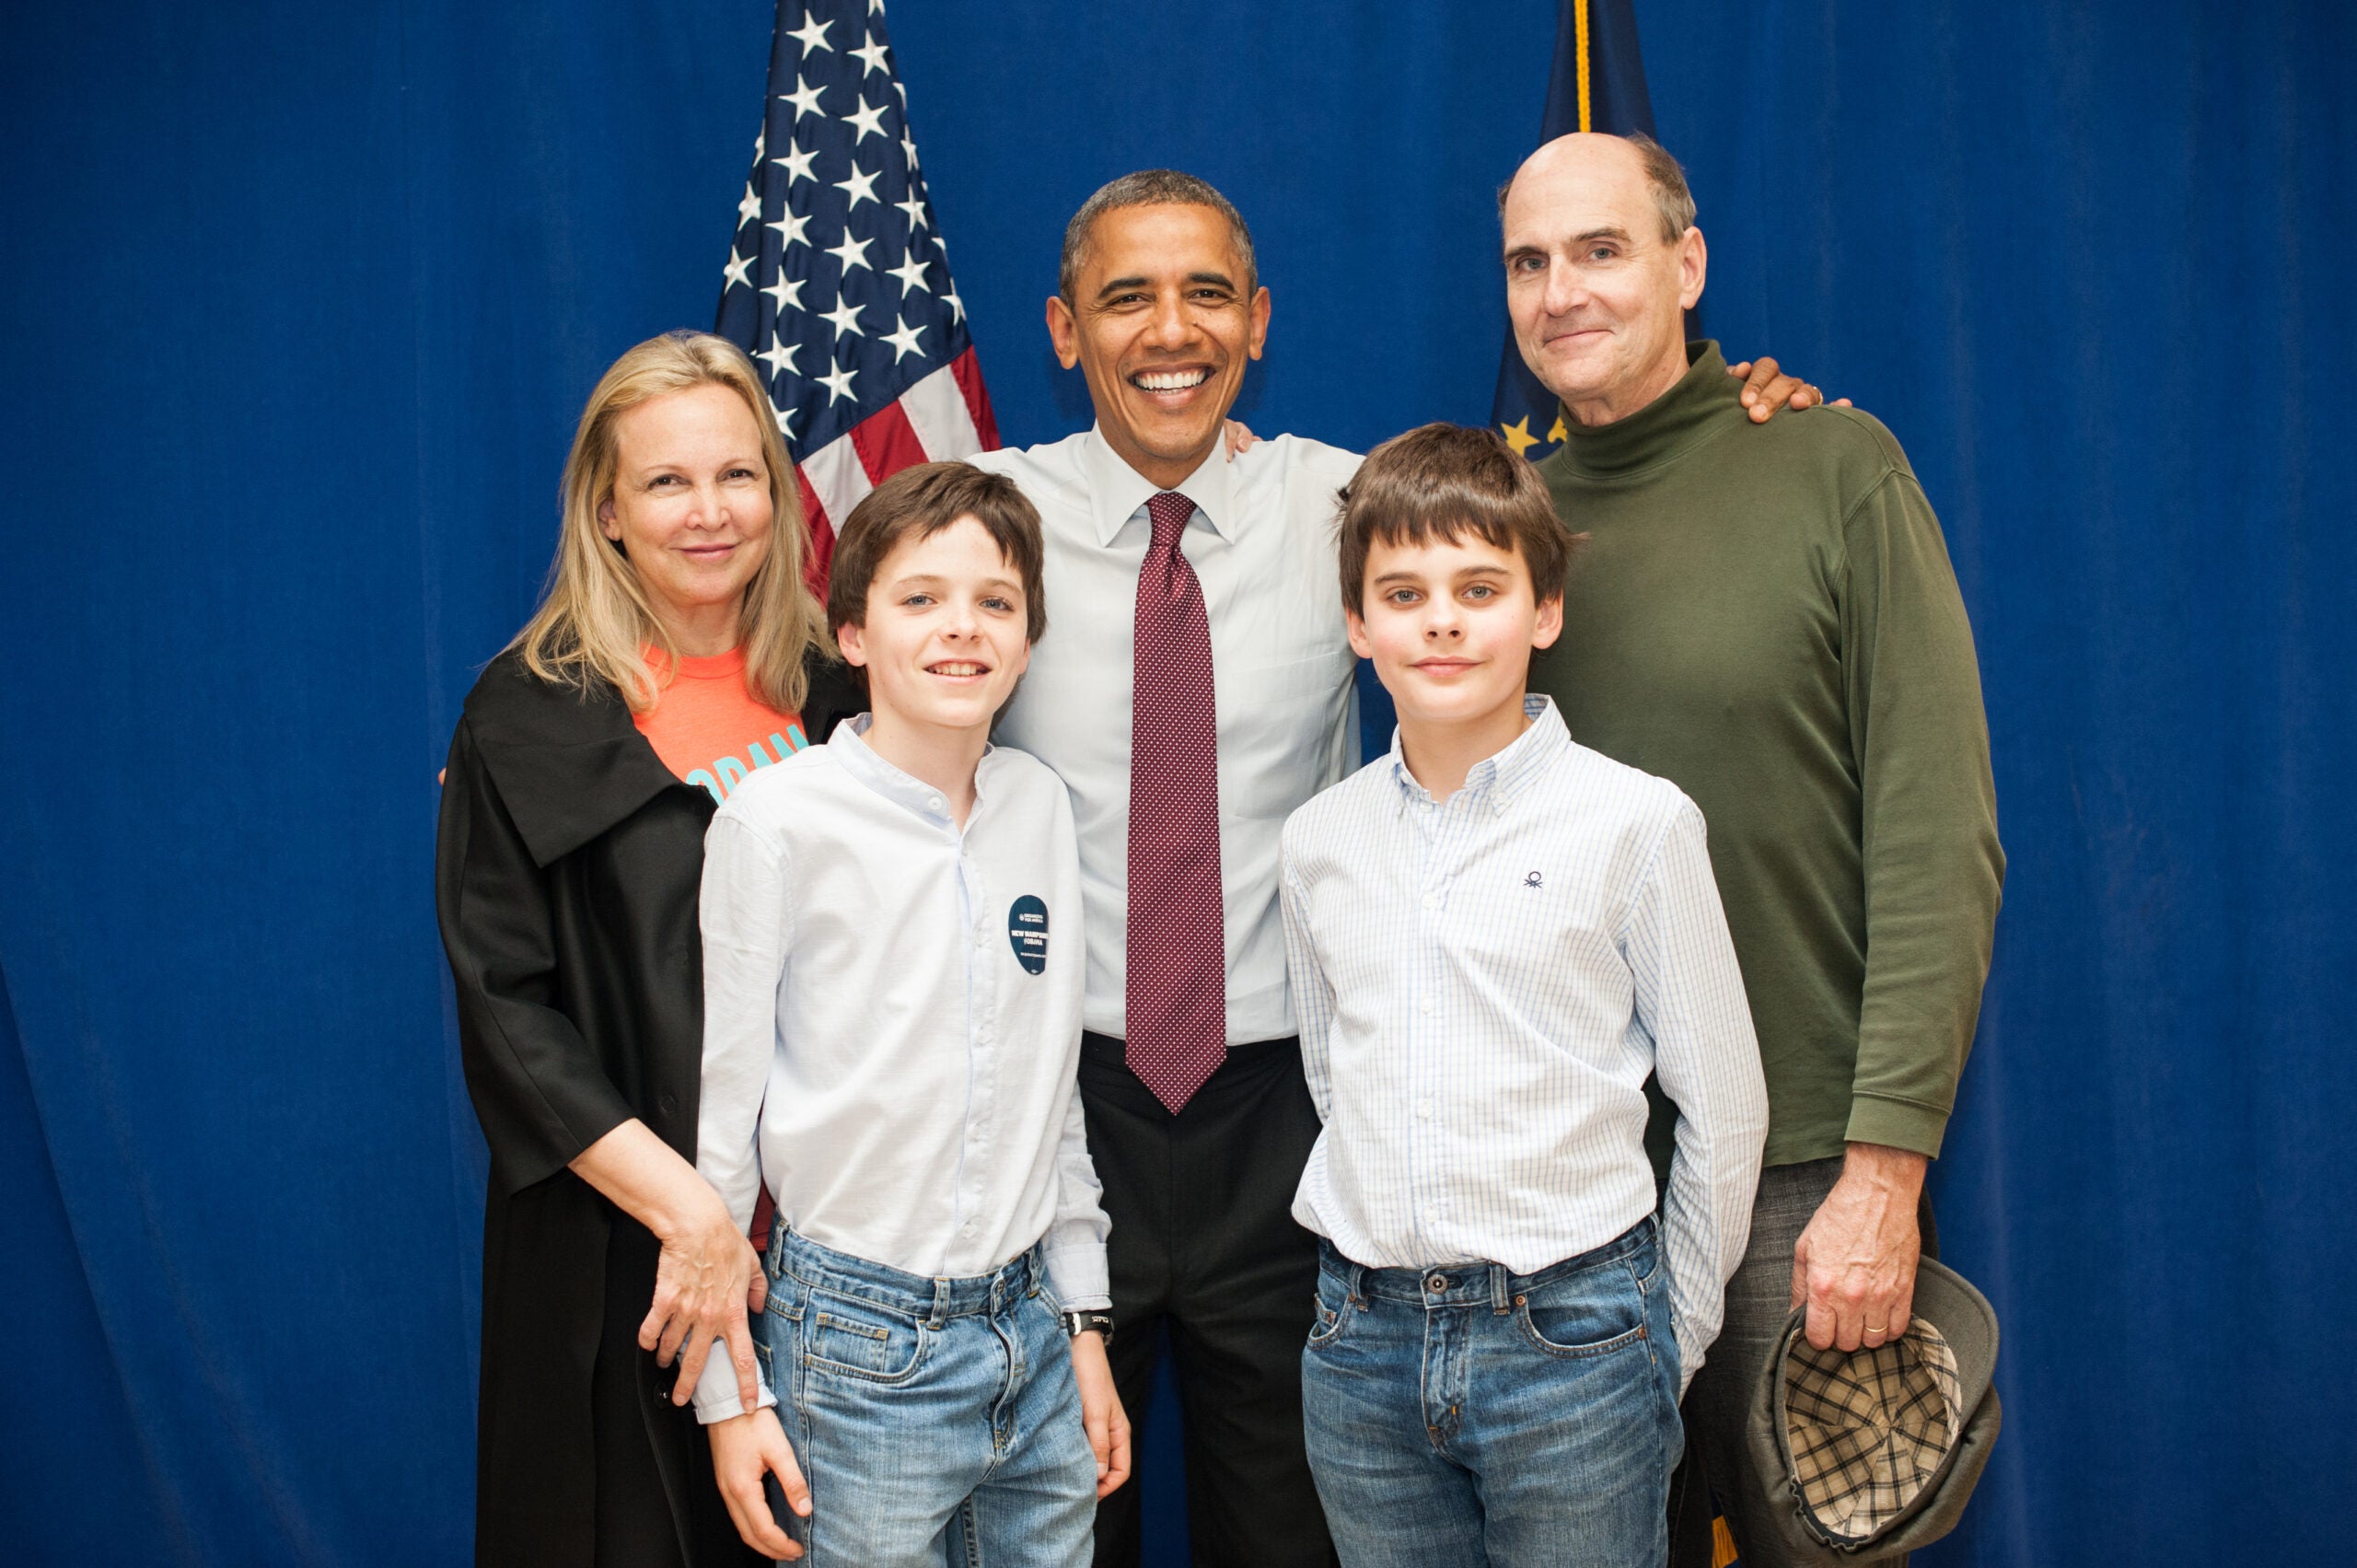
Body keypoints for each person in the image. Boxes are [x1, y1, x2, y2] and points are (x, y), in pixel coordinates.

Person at [966, 168, 1824, 1568]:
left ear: (1257, 321)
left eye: (1204, 295)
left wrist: (1743, 417)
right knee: (1061, 1522)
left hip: (1289, 1132)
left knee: (1300, 1532)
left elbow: (1502, 531)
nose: (1167, 329)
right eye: (1126, 296)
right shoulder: (987, 523)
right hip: (1071, 1114)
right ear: (1065, 332)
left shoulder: (1345, 506)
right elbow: (824, 621)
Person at [1501, 133, 2006, 1567]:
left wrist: (1886, 1172)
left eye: (1600, 249)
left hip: (1804, 1178)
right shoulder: (1501, 525)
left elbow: (1938, 836)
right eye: (1529, 263)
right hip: (1582, 1191)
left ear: (1686, 261)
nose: (1561, 292)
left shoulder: (1835, 466)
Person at [1278, 423, 1769, 1567]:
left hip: (1575, 1342)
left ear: (1543, 610)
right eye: (1402, 590)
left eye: (1479, 586)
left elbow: (1727, 1107)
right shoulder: (1318, 841)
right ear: (1357, 624)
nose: (1441, 618)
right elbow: (1332, 1075)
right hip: (1361, 1349)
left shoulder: (1635, 822)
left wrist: (1667, 1333)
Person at [435, 330, 857, 1567]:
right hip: (624, 1256)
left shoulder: (844, 697)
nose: (709, 511)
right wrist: (695, 1218)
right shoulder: (527, 713)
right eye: (668, 482)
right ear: (606, 510)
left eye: (739, 476)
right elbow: (507, 1008)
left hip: (836, 1249)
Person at [690, 461, 1130, 1566]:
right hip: (853, 1349)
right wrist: (723, 1395)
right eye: (920, 598)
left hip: (1030, 1330)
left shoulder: (1040, 808)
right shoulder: (775, 822)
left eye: (995, 602)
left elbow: (1051, 1092)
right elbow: (720, 1126)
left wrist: (1082, 1319)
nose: (961, 628)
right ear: (849, 632)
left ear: (1029, 638)